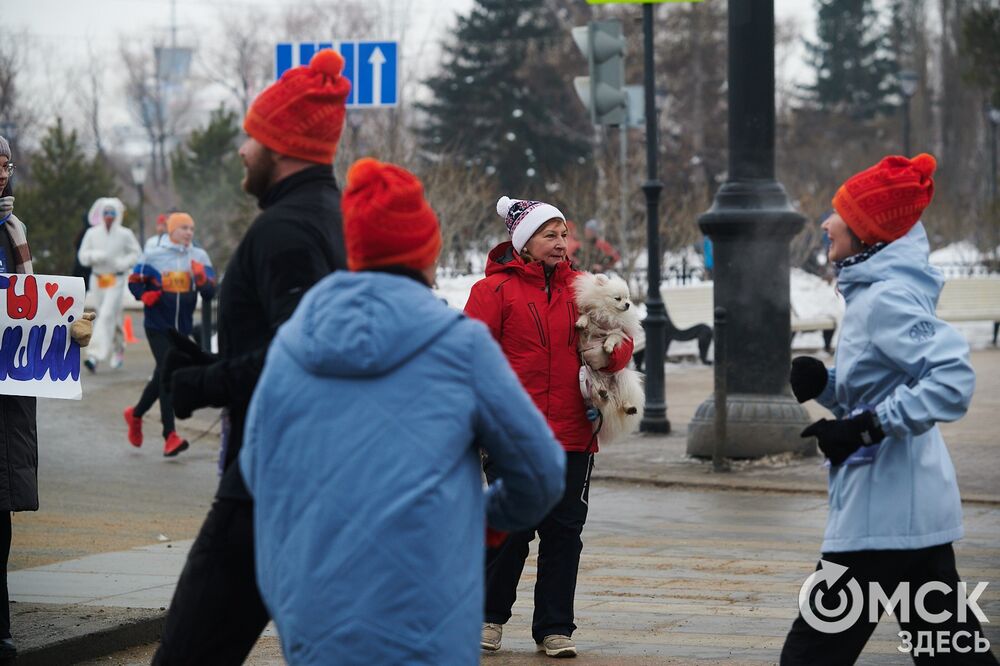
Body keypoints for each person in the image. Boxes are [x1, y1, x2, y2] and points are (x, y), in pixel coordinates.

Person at [240, 158, 567, 665]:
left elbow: (257, 468)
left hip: (313, 601)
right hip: (429, 602)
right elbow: (541, 473)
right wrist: (479, 523)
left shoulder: (293, 342)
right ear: (428, 254)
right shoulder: (462, 347)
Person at [151, 48, 349, 664]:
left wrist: (197, 383)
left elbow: (303, 357)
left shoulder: (286, 230)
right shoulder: (326, 216)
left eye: (253, 136)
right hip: (309, 474)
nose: (243, 150)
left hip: (269, 479)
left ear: (281, 147)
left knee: (188, 654)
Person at [781, 154, 997, 665]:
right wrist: (828, 387)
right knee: (951, 654)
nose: (826, 224)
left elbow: (952, 379)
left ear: (866, 232)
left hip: (884, 512)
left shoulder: (885, 299)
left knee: (810, 655)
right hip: (904, 508)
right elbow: (887, 386)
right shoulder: (872, 295)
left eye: (838, 215)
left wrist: (866, 428)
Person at [465, 196, 635, 658]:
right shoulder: (491, 293)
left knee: (564, 532)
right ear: (523, 242)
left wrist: (611, 354)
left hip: (575, 432)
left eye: (564, 234)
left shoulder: (583, 288)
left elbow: (620, 338)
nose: (561, 243)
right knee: (511, 530)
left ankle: (555, 628)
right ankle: (487, 618)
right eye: (549, 235)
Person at [0, 135, 95, 661]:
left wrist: (67, 331)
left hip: (7, 398)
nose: (2, 172)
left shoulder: (14, 229)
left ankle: (3, 629)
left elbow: (25, 310)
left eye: (6, 163)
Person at [125, 212, 216, 457]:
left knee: (161, 375)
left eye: (192, 228)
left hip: (182, 329)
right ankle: (170, 436)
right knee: (169, 372)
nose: (189, 232)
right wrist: (144, 296)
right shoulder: (154, 255)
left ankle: (135, 414)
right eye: (184, 228)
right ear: (171, 231)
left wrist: (203, 280)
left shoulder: (199, 256)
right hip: (157, 326)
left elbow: (209, 294)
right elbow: (134, 281)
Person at [77, 197, 141, 372]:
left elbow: (136, 253)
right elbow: (82, 256)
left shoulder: (125, 234)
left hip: (116, 280)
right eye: (106, 213)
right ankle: (119, 347)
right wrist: (93, 256)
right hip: (98, 279)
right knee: (110, 317)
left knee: (105, 316)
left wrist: (124, 262)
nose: (109, 217)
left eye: (112, 213)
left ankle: (93, 356)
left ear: (118, 215)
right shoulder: (92, 233)